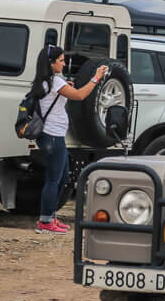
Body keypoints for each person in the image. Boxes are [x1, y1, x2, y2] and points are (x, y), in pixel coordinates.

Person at [29, 46, 108, 234]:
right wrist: (95, 78)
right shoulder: (55, 81)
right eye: (61, 61)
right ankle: (45, 221)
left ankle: (51, 217)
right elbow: (80, 96)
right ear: (51, 63)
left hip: (53, 135)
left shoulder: (46, 81)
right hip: (52, 135)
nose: (64, 64)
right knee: (54, 178)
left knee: (63, 176)